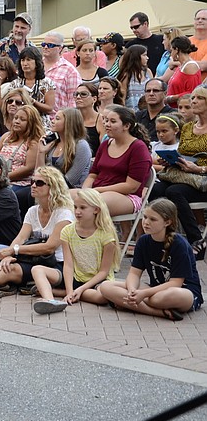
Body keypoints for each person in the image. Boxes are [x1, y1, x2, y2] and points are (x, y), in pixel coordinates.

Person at [0, 167, 74, 295]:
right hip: (34, 259)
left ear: (53, 187)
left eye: (39, 183)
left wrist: (14, 250)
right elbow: (21, 238)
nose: (33, 186)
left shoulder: (64, 214)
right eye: (32, 182)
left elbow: (50, 247)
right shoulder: (33, 211)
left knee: (9, 270)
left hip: (56, 263)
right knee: (4, 264)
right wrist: (9, 255)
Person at [99, 199, 202, 321]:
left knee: (159, 298)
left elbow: (176, 283)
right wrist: (132, 290)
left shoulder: (179, 244)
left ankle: (129, 304)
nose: (146, 222)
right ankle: (158, 312)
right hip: (154, 289)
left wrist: (142, 295)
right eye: (145, 217)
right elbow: (134, 273)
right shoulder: (143, 241)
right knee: (105, 286)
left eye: (152, 219)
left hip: (182, 292)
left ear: (167, 222)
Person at [31, 189, 119, 314]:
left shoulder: (106, 234)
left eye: (83, 208)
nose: (77, 212)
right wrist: (70, 289)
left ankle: (58, 292)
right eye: (75, 207)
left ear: (96, 210)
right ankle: (50, 300)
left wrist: (79, 290)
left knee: (102, 297)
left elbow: (104, 272)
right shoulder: (68, 231)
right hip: (74, 277)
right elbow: (68, 264)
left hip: (96, 281)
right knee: (37, 269)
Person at [148, 86, 207, 256]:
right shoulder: (188, 127)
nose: (193, 101)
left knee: (174, 191)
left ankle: (196, 240)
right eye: (193, 97)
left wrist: (198, 168)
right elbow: (182, 152)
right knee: (156, 189)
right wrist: (172, 160)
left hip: (202, 178)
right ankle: (163, 237)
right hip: (183, 173)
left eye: (199, 98)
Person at [81, 105, 152, 217]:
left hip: (127, 196)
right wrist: (85, 190)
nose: (107, 124)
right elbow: (92, 175)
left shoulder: (138, 148)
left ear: (127, 126)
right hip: (97, 192)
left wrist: (97, 190)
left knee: (91, 204)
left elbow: (131, 186)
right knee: (64, 200)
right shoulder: (105, 144)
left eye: (113, 121)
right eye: (106, 120)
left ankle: (93, 234)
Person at [0, 103, 44, 214]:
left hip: (18, 182)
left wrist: (3, 178)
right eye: (16, 118)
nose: (16, 121)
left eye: (22, 119)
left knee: (2, 195)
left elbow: (29, 168)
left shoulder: (33, 142)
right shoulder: (6, 137)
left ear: (31, 123)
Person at [37, 107, 92, 188]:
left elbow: (70, 181)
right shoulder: (53, 142)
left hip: (71, 191)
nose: (52, 121)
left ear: (69, 123)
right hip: (50, 187)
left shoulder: (81, 146)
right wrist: (41, 152)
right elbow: (38, 173)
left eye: (57, 119)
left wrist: (46, 186)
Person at [0, 46, 55, 117]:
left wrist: (33, 102)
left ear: (37, 62)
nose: (25, 63)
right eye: (22, 60)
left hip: (41, 123)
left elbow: (49, 109)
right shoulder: (15, 84)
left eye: (28, 60)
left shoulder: (47, 83)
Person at [41, 31, 81, 114]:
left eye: (50, 45)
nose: (45, 47)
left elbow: (74, 101)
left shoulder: (70, 70)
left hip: (57, 121)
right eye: (43, 44)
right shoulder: (36, 65)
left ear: (60, 48)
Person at [165, 37, 201, 109]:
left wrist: (171, 98)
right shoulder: (182, 65)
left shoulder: (190, 66)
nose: (171, 54)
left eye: (172, 51)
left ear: (177, 50)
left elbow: (192, 92)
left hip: (184, 110)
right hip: (174, 107)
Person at [118, 44, 153, 110]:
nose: (147, 58)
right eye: (144, 55)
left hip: (147, 110)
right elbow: (122, 97)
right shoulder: (127, 74)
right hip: (132, 111)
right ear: (136, 57)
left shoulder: (148, 72)